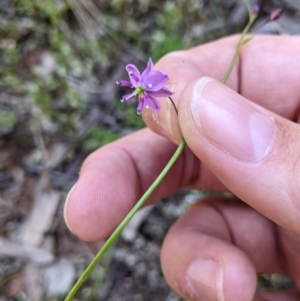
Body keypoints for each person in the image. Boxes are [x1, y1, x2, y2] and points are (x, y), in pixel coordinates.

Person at [64, 35, 300, 301]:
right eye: (137, 89)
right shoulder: (152, 94)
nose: (138, 92)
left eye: (139, 89)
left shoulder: (155, 92)